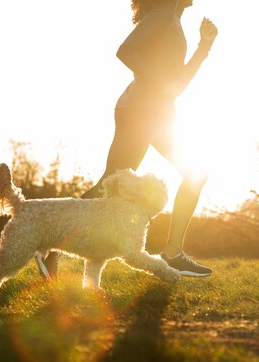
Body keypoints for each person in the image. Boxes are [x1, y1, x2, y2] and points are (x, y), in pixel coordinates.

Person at [43, 0, 218, 278]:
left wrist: (204, 46)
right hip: (142, 110)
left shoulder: (172, 19)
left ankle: (173, 254)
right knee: (112, 183)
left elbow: (180, 82)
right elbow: (126, 51)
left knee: (115, 183)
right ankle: (48, 241)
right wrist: (159, 83)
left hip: (155, 111)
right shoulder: (162, 15)